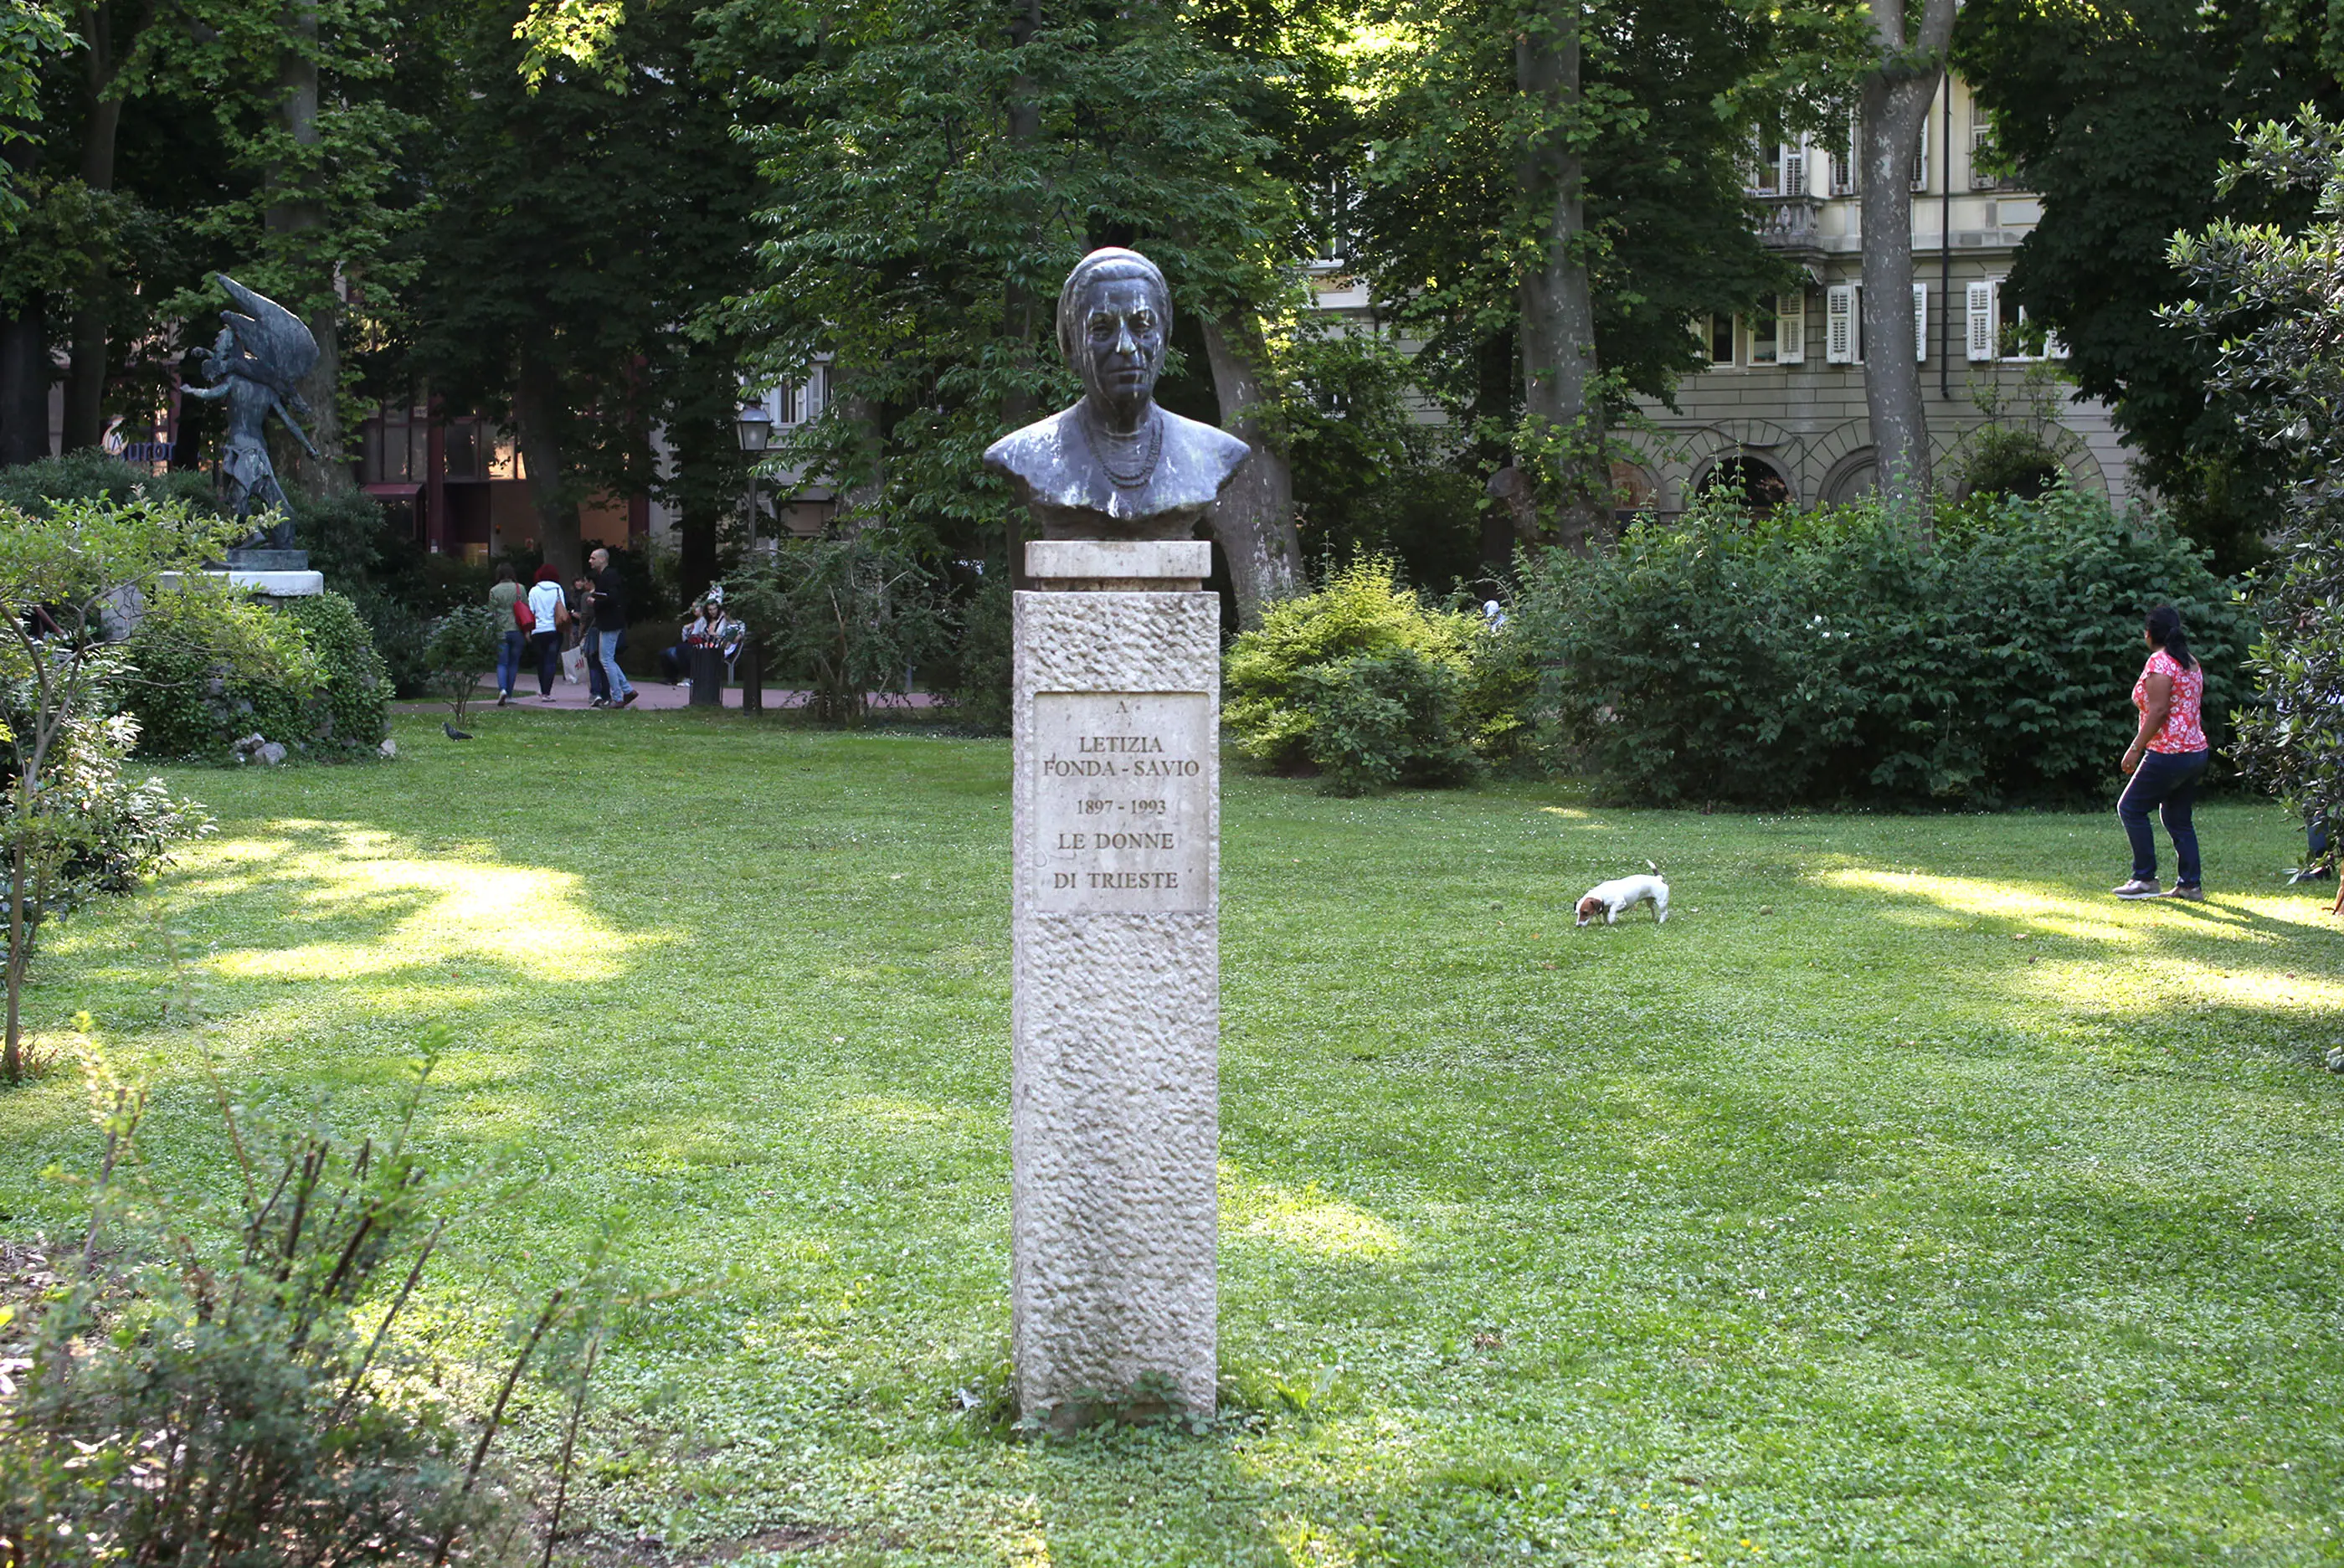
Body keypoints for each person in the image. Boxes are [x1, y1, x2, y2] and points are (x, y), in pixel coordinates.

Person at [2113, 604, 2210, 901]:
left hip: (2169, 751)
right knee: (2178, 817)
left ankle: (2144, 878)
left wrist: (2135, 748)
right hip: (2194, 751)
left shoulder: (2159, 662)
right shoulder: (2189, 661)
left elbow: (2157, 711)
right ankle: (2190, 885)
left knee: (2130, 808)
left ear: (2149, 634)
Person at [585, 547, 636, 708]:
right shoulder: (606, 576)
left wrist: (595, 602)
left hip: (610, 623)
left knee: (606, 660)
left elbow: (612, 598)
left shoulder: (609, 576)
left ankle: (618, 697)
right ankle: (627, 690)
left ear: (602, 559)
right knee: (607, 659)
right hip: (609, 622)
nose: (590, 561)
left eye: (593, 558)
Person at [525, 566, 568, 702]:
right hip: (554, 629)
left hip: (537, 630)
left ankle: (543, 688)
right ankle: (546, 692)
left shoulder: (534, 591)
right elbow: (563, 609)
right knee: (551, 661)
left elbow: (530, 611)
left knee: (541, 661)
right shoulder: (558, 589)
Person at [489, 563, 524, 706]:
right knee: (513, 663)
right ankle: (509, 694)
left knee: (502, 663)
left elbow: (491, 612)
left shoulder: (494, 590)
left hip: (501, 630)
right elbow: (526, 607)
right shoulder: (520, 588)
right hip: (517, 628)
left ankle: (502, 689)